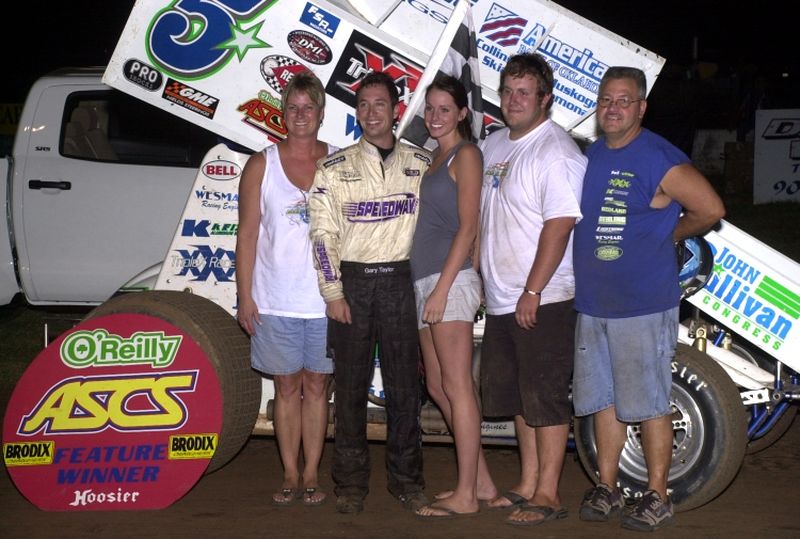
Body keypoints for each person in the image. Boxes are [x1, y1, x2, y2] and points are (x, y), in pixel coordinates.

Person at [572, 66, 725, 532]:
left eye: (624, 100)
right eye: (606, 99)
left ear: (641, 107)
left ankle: (658, 495)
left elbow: (712, 208)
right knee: (603, 400)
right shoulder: (593, 155)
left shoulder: (659, 156)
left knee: (649, 402)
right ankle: (607, 486)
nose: (613, 108)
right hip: (594, 302)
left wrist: (666, 234)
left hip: (642, 303)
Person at [308, 71, 431, 515]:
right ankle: (350, 485)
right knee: (351, 388)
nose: (370, 112)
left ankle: (408, 482)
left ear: (395, 110)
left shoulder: (421, 163)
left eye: (379, 103)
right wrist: (333, 292)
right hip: (353, 286)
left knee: (405, 390)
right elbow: (322, 237)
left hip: (401, 283)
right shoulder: (333, 168)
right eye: (362, 105)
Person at [478, 53, 586, 526]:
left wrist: (534, 290)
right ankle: (526, 482)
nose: (513, 100)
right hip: (502, 295)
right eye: (507, 91)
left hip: (545, 297)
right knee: (521, 398)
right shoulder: (494, 143)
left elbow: (560, 225)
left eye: (524, 92)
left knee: (545, 397)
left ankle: (549, 493)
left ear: (546, 99)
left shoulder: (557, 151)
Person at [236, 71, 335, 508]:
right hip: (275, 299)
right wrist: (245, 296)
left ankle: (313, 471)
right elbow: (247, 236)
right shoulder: (261, 164)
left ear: (320, 113)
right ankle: (290, 473)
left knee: (317, 388)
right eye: (292, 108)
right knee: (286, 387)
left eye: (308, 108)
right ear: (282, 112)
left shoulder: (338, 162)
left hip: (326, 301)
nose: (300, 115)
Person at [409, 75, 498, 519]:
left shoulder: (467, 154)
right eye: (431, 108)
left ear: (463, 113)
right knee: (437, 384)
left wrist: (443, 290)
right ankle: (480, 483)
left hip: (451, 281)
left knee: (458, 384)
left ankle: (465, 496)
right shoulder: (431, 157)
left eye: (446, 109)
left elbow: (468, 226)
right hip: (423, 280)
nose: (436, 116)